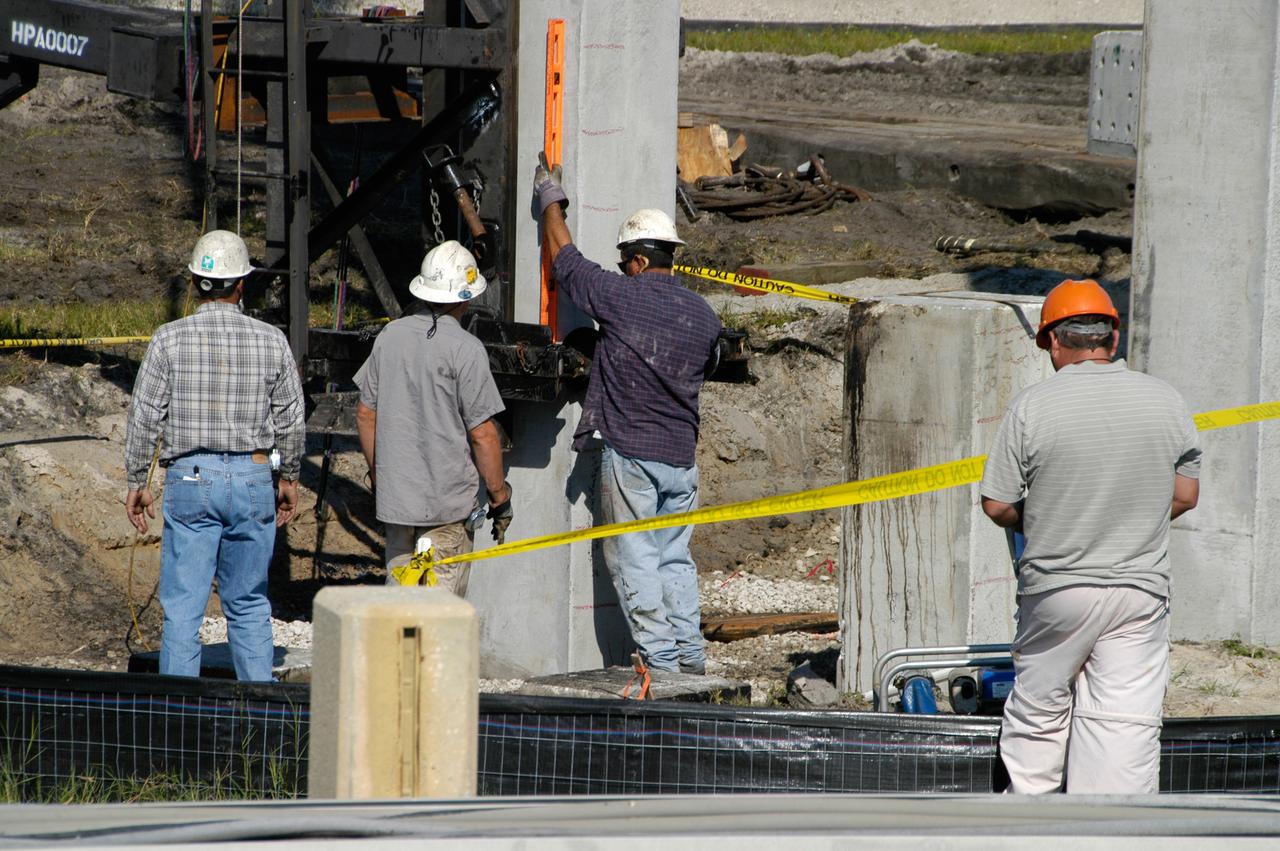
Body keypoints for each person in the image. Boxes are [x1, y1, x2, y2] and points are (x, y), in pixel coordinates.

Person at [979, 278, 1202, 794]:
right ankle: (1111, 834)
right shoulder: (1166, 400)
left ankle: (1026, 831)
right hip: (1139, 594)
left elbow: (997, 505)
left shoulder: (1032, 406)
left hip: (1057, 590)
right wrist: (1130, 520)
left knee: (1039, 713)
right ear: (1113, 339)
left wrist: (1045, 520)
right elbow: (1186, 497)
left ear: (1053, 341)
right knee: (1123, 726)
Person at [534, 156, 722, 675]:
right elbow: (705, 361)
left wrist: (550, 199)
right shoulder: (705, 316)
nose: (621, 271)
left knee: (633, 558)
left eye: (623, 263)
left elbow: (566, 261)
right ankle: (691, 660)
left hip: (633, 457)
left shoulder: (621, 298)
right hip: (681, 461)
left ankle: (661, 664)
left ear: (638, 261)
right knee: (674, 560)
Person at [124, 230, 304, 682]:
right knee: (247, 602)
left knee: (184, 607)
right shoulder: (271, 340)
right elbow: (292, 419)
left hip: (190, 478)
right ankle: (260, 723)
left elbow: (145, 414)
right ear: (241, 283)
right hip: (253, 476)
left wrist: (138, 481)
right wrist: (290, 478)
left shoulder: (168, 339)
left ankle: (180, 722)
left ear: (194, 283)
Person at [354, 240, 511, 595]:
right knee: (439, 626)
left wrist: (381, 476)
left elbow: (365, 415)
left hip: (398, 508)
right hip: (447, 511)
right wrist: (500, 496)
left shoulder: (389, 336)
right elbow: (483, 435)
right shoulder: (467, 349)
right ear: (466, 297)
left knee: (402, 615)